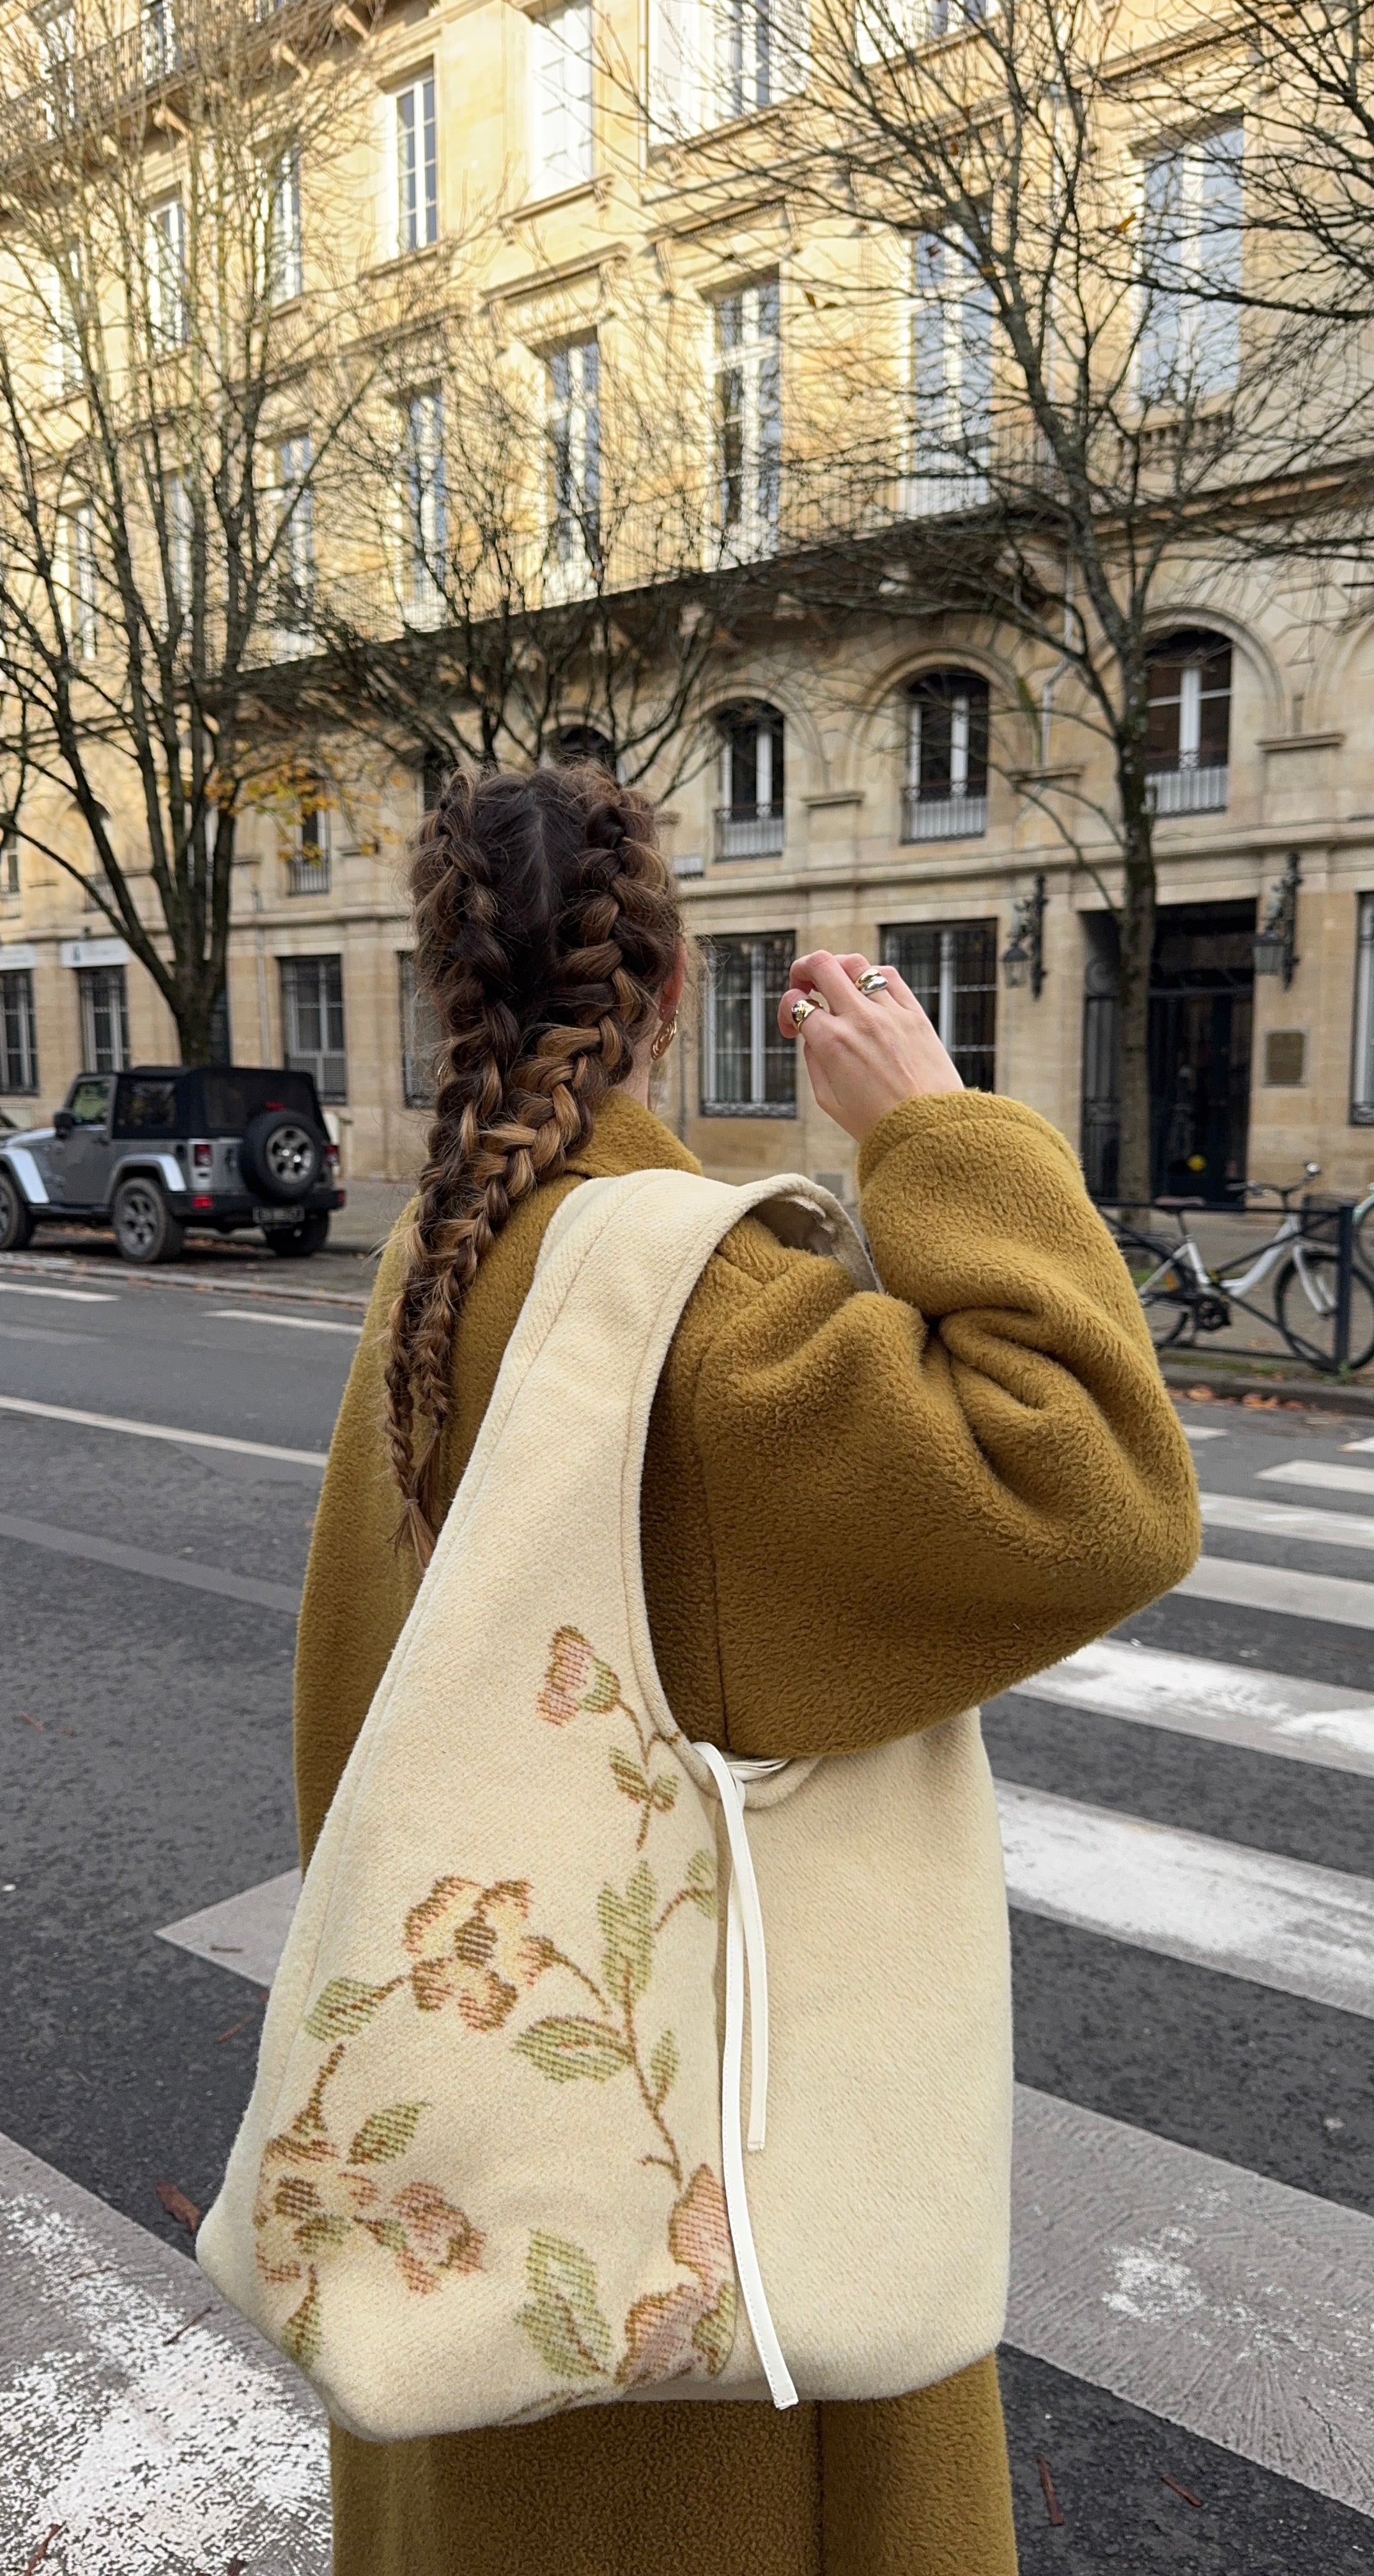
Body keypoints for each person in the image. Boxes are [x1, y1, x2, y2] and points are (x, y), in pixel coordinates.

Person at [292, 762, 1200, 2576]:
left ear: (445, 987)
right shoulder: (698, 1308)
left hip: (485, 2148)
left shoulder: (443, 1254)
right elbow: (1094, 1485)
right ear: (675, 984)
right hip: (699, 2248)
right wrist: (938, 1131)